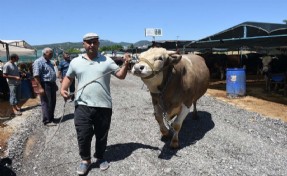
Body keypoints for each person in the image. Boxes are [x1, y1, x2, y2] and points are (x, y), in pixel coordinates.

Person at [60, 32, 130, 175]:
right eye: (88, 42)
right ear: (83, 44)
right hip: (82, 105)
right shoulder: (75, 62)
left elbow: (121, 76)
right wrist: (63, 89)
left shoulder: (107, 60)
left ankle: (99, 157)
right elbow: (68, 77)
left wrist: (126, 63)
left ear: (98, 43)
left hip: (103, 105)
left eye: (95, 42)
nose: (92, 44)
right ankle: (85, 160)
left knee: (101, 134)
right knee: (83, 134)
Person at [32, 47, 58, 126]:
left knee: (53, 102)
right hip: (45, 84)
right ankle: (46, 120)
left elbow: (51, 74)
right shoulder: (38, 62)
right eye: (50, 54)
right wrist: (40, 87)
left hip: (51, 84)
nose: (51, 55)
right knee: (46, 102)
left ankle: (51, 118)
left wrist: (55, 84)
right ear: (44, 54)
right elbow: (36, 76)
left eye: (52, 53)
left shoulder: (49, 62)